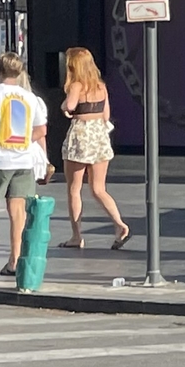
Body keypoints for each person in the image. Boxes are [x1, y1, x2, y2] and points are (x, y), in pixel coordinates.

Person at [0, 53, 53, 277]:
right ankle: (15, 261)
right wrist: (25, 141)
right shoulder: (31, 99)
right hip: (23, 161)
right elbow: (41, 130)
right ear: (20, 72)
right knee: (17, 213)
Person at [57, 46, 130, 250]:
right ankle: (119, 224)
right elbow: (106, 115)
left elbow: (70, 106)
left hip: (81, 135)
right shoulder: (101, 86)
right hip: (99, 135)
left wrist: (64, 108)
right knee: (98, 188)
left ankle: (76, 236)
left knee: (74, 189)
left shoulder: (76, 86)